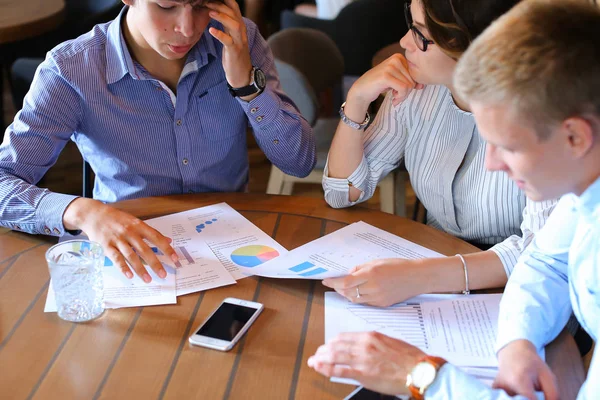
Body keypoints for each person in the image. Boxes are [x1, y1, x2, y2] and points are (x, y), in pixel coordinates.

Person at [309, 0, 600, 399]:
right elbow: (546, 260)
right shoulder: (581, 197)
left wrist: (420, 376)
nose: (494, 162)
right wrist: (516, 342)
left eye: (509, 147)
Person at [0, 0, 315, 283]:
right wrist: (83, 212)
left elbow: (298, 162)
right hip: (134, 256)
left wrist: (247, 85)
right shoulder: (72, 69)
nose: (187, 28)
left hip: (234, 249)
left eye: (201, 5)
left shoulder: (238, 40)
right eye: (167, 6)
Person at [320, 0, 556, 307]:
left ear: (473, 48)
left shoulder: (544, 115)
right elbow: (342, 192)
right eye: (410, 24)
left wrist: (421, 276)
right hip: (431, 267)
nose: (404, 42)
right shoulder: (414, 91)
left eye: (420, 34)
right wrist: (357, 99)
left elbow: (541, 252)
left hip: (516, 293)